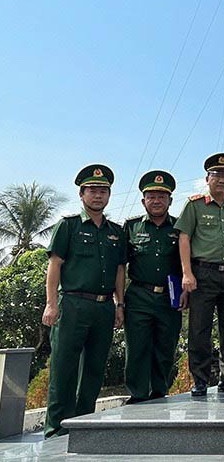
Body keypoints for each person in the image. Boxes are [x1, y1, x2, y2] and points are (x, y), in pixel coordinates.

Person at [41, 164, 127, 438]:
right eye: (93, 190)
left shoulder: (116, 231)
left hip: (103, 307)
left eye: (103, 191)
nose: (98, 195)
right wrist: (51, 303)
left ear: (109, 195)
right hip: (73, 304)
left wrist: (119, 304)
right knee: (63, 367)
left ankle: (83, 423)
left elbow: (119, 271)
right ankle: (56, 428)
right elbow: (55, 265)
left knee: (94, 368)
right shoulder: (68, 226)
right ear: (81, 194)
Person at [175, 153, 224, 397]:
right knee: (199, 329)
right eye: (217, 174)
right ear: (207, 178)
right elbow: (184, 237)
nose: (222, 179)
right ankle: (200, 380)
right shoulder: (194, 205)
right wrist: (187, 273)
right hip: (202, 273)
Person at [123, 170, 187, 404]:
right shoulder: (131, 227)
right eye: (151, 196)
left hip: (170, 296)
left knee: (165, 347)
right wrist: (118, 300)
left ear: (170, 200)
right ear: (143, 201)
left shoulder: (181, 228)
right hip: (139, 295)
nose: (157, 201)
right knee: (137, 346)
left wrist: (186, 292)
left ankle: (160, 391)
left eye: (162, 196)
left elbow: (187, 263)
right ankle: (137, 393)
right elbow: (121, 265)